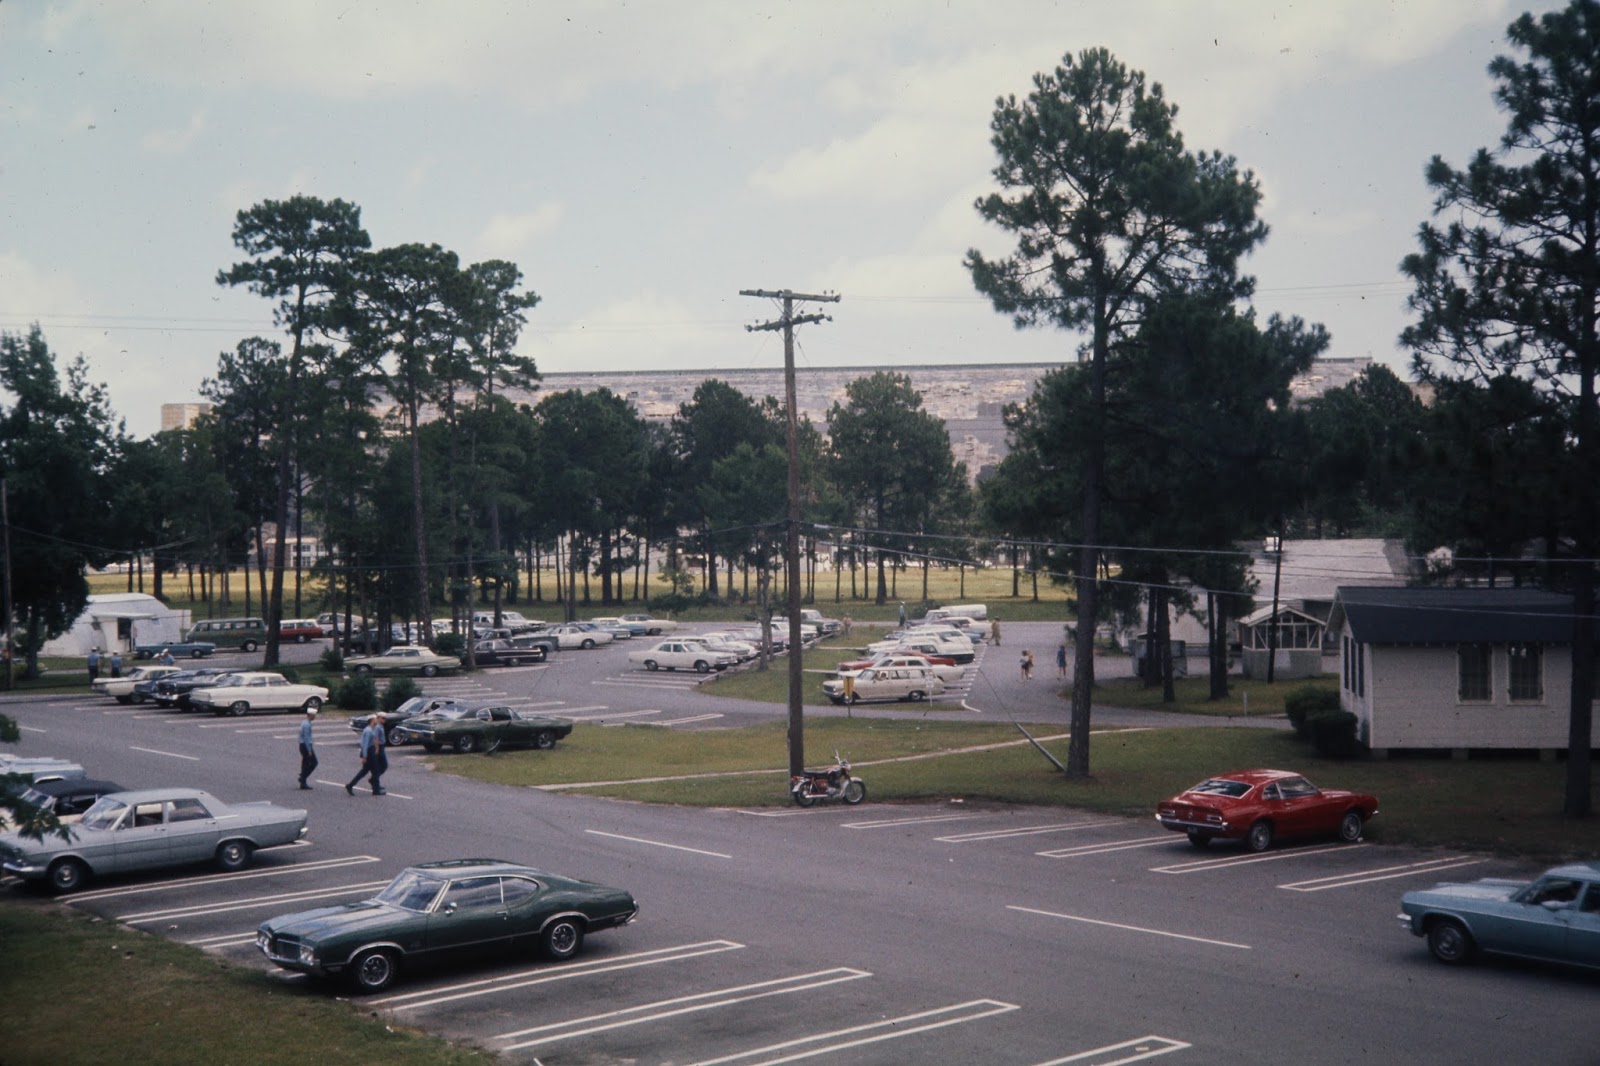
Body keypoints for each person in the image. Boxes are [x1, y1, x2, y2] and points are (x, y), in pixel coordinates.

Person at [347, 713, 387, 796]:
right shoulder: (368, 731)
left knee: (364, 771)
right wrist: (364, 756)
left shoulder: (370, 729)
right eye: (376, 719)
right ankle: (375, 790)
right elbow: (364, 744)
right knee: (375, 771)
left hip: (370, 751)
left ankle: (350, 785)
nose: (377, 720)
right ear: (372, 720)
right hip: (369, 753)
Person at [297, 706, 319, 789]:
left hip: (302, 745)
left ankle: (303, 782)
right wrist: (309, 750)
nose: (315, 717)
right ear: (310, 715)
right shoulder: (307, 725)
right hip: (306, 746)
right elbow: (306, 737)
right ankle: (303, 778)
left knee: (305, 764)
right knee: (314, 762)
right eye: (314, 715)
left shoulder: (305, 722)